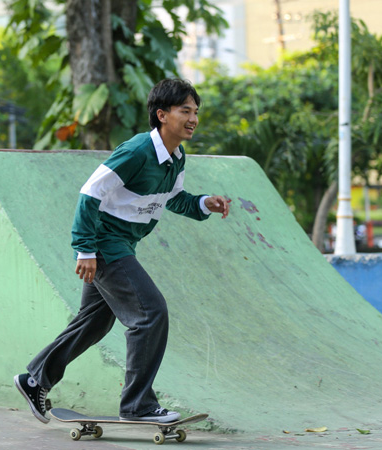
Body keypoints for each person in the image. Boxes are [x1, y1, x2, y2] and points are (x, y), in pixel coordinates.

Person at [14, 78, 230, 424]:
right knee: (150, 312)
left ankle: (35, 378)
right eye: (185, 111)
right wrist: (84, 249)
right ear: (162, 114)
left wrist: (205, 203)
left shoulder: (176, 156)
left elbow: (173, 198)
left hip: (121, 244)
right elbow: (90, 193)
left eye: (196, 112)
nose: (193, 118)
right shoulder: (137, 151)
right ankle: (138, 406)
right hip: (104, 244)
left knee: (94, 322)